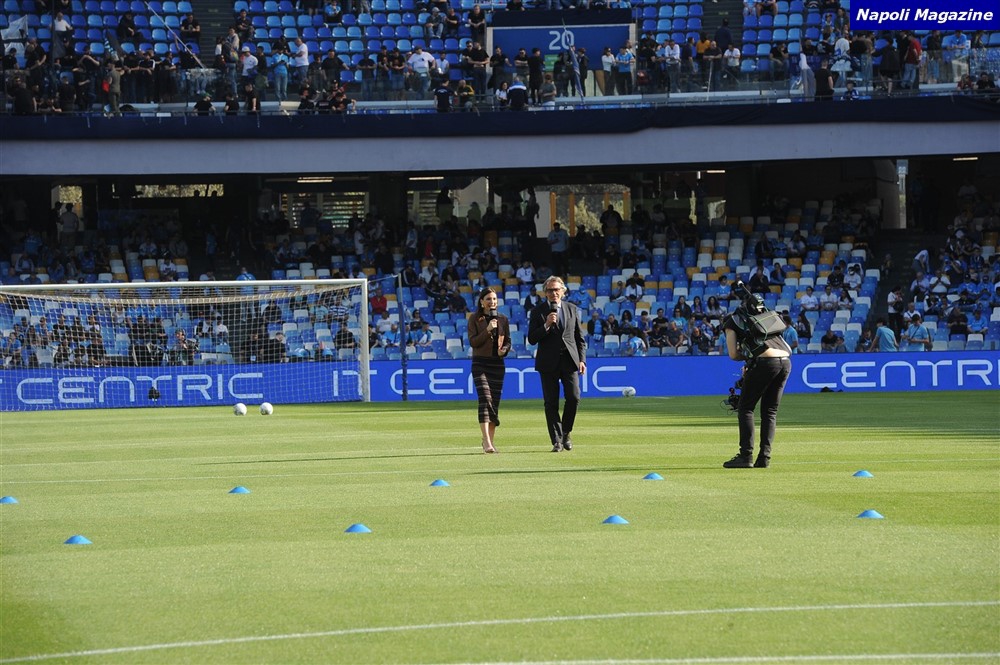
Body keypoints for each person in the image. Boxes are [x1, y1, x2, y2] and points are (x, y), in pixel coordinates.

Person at [721, 294, 792, 469]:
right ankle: (764, 458)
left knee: (745, 408)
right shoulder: (766, 318)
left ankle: (746, 456)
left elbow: (733, 354)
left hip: (765, 362)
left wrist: (748, 359)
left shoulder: (731, 322)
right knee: (770, 411)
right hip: (786, 361)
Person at [527, 275, 587, 453]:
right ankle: (557, 441)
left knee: (574, 397)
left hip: (569, 361)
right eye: (550, 290)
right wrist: (546, 325)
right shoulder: (537, 311)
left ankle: (566, 432)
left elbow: (579, 338)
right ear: (545, 293)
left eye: (556, 289)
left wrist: (582, 360)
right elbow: (532, 339)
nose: (554, 293)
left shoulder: (571, 308)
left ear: (563, 291)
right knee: (551, 403)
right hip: (548, 363)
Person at [467, 288, 512, 454]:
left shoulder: (503, 319)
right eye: (488, 299)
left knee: (494, 402)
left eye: (494, 299)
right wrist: (487, 330)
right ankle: (486, 440)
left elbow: (508, 341)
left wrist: (503, 351)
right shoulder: (474, 319)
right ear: (481, 301)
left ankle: (491, 442)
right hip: (480, 363)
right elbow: (473, 342)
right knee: (485, 399)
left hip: (497, 364)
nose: (492, 302)